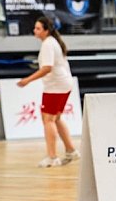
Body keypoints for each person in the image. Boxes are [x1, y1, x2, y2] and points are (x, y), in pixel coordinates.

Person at [17, 16, 79, 168]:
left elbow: (47, 68)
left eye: (38, 28)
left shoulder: (48, 44)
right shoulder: (53, 42)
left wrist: (28, 80)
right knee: (56, 118)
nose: (35, 31)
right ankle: (71, 150)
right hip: (63, 84)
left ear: (46, 30)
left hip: (55, 86)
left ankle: (52, 157)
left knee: (48, 120)